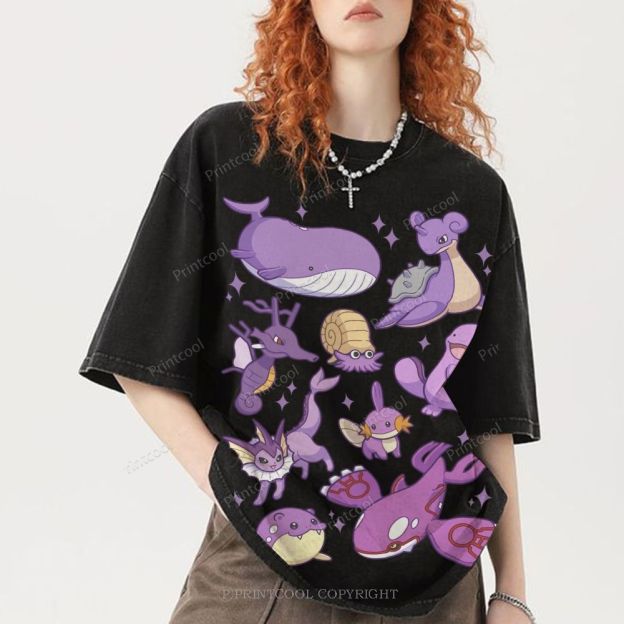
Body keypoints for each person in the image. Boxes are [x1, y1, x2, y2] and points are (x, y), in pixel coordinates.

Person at [80, 1, 540, 622]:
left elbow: (491, 414)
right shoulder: (228, 148)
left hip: (441, 570)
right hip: (268, 556)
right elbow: (140, 350)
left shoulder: (474, 192)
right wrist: (238, 487)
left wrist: (511, 591)